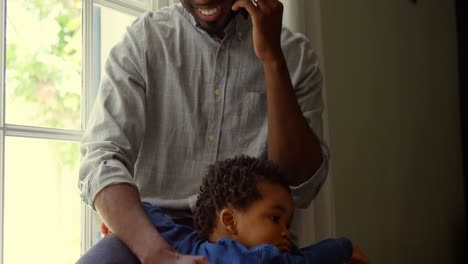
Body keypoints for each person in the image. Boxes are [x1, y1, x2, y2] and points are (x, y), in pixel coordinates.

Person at [78, 0, 329, 263]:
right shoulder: (144, 40)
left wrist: (272, 59)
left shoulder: (295, 55)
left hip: (250, 244)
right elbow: (102, 159)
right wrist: (155, 251)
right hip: (152, 232)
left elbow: (300, 186)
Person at [104, 156, 370, 264]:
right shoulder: (189, 247)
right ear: (229, 220)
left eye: (287, 224)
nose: (285, 232)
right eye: (275, 218)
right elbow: (149, 214)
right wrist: (343, 247)